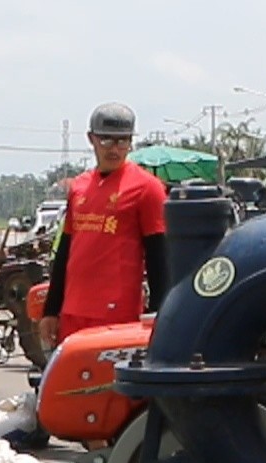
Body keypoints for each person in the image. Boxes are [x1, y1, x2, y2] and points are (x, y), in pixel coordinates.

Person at [37, 102, 169, 349]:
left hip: (117, 318)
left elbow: (159, 257)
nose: (115, 149)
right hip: (73, 314)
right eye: (106, 140)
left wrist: (157, 314)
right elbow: (65, 251)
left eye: (123, 141)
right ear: (91, 139)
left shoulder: (147, 188)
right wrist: (51, 310)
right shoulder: (79, 187)